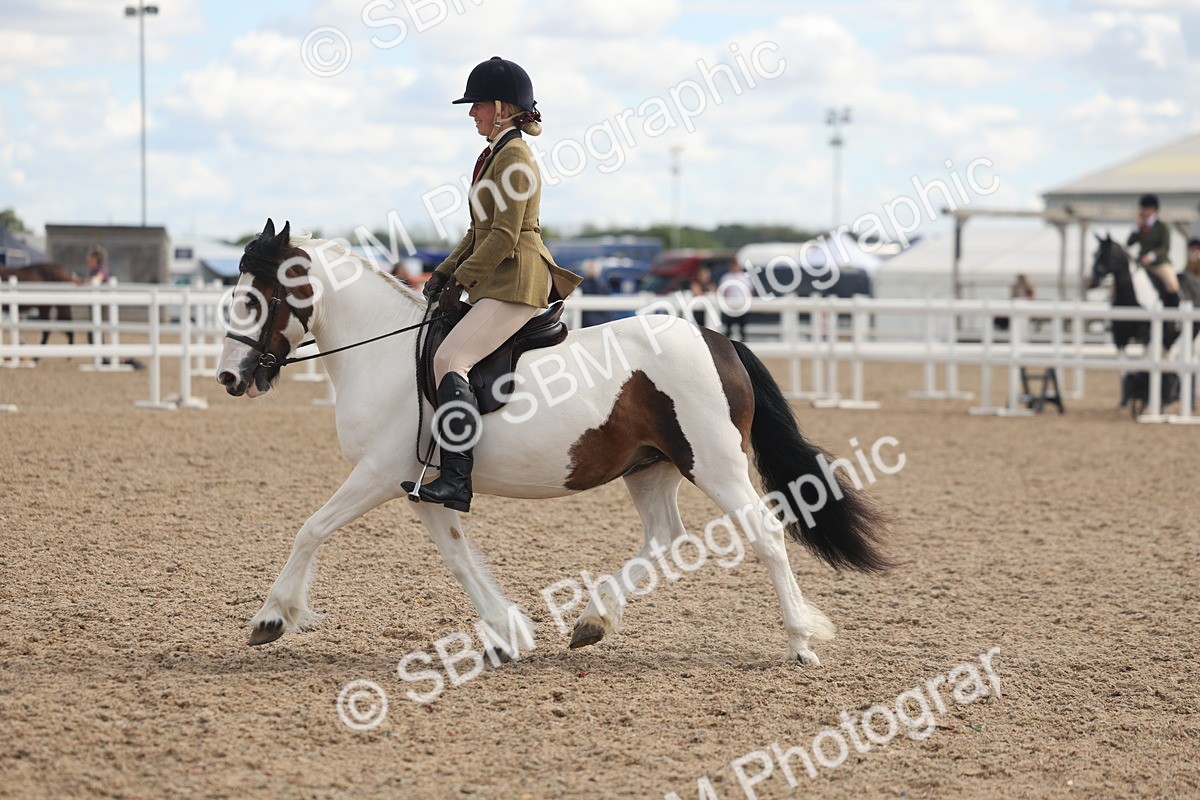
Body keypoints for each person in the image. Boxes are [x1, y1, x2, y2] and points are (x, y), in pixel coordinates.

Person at [401, 57, 582, 513]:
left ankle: (457, 479)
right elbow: (476, 231)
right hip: (499, 279)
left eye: (477, 105)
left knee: (451, 357)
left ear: (501, 108)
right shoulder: (493, 154)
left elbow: (503, 235)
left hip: (518, 280)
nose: (471, 114)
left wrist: (461, 281)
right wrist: (443, 271)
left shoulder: (516, 159)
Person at [1126, 194, 1181, 304]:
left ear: (1153, 209)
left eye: (1145, 208)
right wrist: (1136, 227)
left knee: (1172, 284)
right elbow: (1130, 243)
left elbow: (1165, 247)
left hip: (1159, 263)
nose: (1143, 211)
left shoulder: (1162, 226)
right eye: (1142, 208)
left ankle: (1175, 311)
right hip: (1141, 262)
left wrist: (1150, 257)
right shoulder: (1140, 226)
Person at [718, 261, 752, 340]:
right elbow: (722, 291)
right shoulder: (726, 277)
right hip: (730, 304)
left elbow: (750, 290)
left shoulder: (744, 277)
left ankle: (742, 342)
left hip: (742, 304)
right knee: (728, 327)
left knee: (742, 327)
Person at [1179, 238, 1200, 307]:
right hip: (1191, 291)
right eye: (1192, 248)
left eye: (1195, 248)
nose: (1193, 250)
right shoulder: (1189, 260)